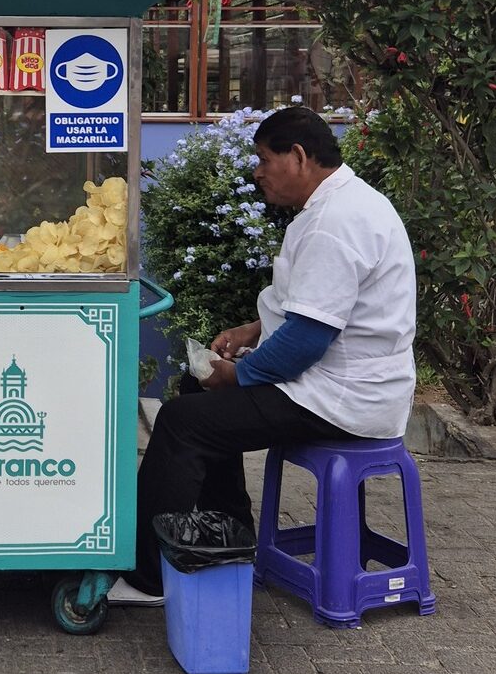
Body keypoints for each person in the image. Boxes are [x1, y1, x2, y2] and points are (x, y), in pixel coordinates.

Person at [109, 105, 417, 606]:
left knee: (184, 421)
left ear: (298, 157)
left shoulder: (334, 222)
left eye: (263, 159)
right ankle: (230, 546)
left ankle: (149, 578)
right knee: (195, 395)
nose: (257, 172)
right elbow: (318, 308)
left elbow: (306, 342)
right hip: (339, 382)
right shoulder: (343, 204)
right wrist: (253, 328)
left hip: (340, 397)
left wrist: (241, 374)